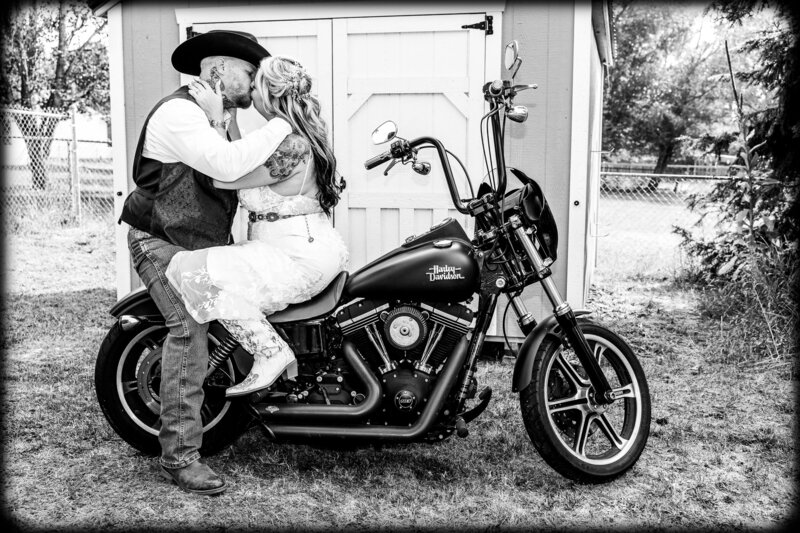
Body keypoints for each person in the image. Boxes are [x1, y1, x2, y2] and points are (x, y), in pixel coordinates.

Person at [119, 30, 292, 495]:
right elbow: (226, 166)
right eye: (249, 73)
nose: (254, 83)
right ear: (218, 70)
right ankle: (180, 457)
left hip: (196, 247)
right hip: (161, 243)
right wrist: (285, 124)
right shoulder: (179, 113)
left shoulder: (218, 117)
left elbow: (238, 176)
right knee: (189, 329)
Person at [165, 56, 348, 399]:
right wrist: (228, 118)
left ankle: (270, 351)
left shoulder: (291, 145)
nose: (250, 88)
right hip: (292, 247)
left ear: (269, 94)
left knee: (189, 270)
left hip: (293, 255)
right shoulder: (291, 137)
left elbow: (224, 176)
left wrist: (215, 117)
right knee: (207, 273)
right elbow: (242, 155)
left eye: (255, 83)